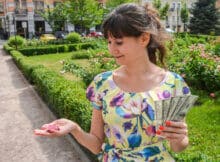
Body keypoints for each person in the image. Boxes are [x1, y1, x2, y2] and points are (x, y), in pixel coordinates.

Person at [34, 3, 191, 162]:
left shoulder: (172, 84)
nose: (112, 49)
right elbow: (96, 145)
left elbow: (178, 147)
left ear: (144, 38)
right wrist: (74, 129)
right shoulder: (103, 83)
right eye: (109, 42)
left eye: (119, 42)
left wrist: (179, 138)